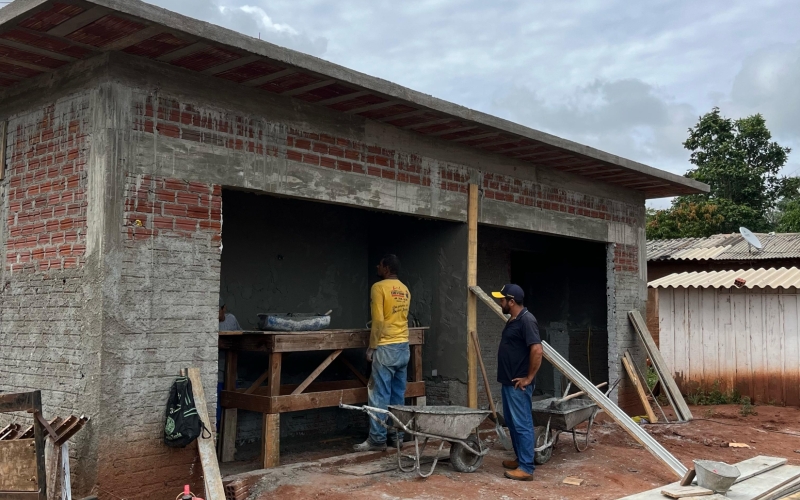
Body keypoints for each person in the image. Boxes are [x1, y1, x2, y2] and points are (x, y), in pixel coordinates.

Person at [354, 254, 411, 452]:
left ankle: (377, 439)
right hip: (403, 346)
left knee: (379, 394)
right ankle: (397, 437)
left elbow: (378, 321)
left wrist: (372, 346)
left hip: (386, 347)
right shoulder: (404, 289)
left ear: (386, 268)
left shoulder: (378, 288)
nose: (377, 267)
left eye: (379, 264)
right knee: (398, 396)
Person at [492, 284, 543, 481]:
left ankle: (527, 467)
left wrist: (528, 378)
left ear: (511, 302)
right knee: (513, 423)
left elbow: (537, 350)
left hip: (518, 384)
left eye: (502, 299)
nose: (500, 302)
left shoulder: (527, 321)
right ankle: (520, 458)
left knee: (522, 423)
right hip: (508, 382)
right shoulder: (514, 319)